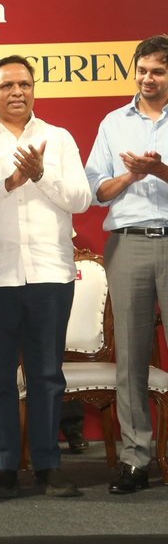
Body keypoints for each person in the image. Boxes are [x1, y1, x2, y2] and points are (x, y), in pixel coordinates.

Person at [0, 55, 91, 499]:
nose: (16, 92)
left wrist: (41, 177)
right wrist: (11, 180)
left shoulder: (57, 139)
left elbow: (80, 199)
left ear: (34, 90)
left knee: (46, 375)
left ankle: (47, 464)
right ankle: (4, 467)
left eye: (24, 84)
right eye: (6, 86)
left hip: (49, 272)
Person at [85, 34, 168, 494]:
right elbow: (94, 188)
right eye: (141, 70)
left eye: (157, 71)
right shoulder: (114, 122)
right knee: (130, 359)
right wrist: (132, 175)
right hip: (128, 243)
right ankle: (136, 459)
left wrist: (159, 172)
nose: (147, 78)